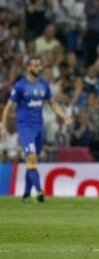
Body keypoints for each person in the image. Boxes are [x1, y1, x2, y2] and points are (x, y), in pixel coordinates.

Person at [1, 56, 72, 202]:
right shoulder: (20, 86)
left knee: (33, 160)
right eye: (36, 66)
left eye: (40, 66)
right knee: (32, 156)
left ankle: (26, 194)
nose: (39, 68)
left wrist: (64, 116)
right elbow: (8, 107)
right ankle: (39, 190)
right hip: (25, 127)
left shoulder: (43, 85)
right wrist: (3, 125)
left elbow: (52, 103)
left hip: (39, 127)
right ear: (28, 68)